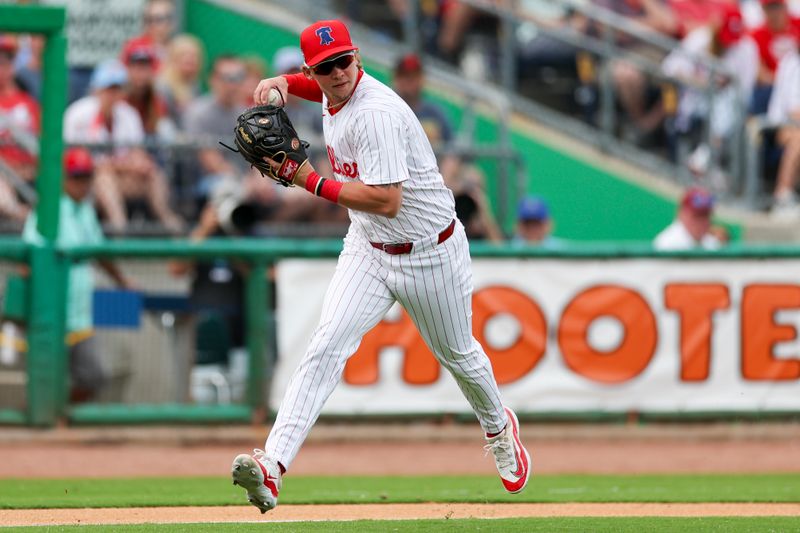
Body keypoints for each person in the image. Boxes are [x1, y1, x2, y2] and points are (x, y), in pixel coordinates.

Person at [230, 19, 532, 514]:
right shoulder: (331, 89)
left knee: (459, 356)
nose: (338, 73)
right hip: (369, 247)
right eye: (325, 67)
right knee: (326, 345)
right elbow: (323, 91)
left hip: (429, 251)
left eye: (344, 60)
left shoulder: (378, 114)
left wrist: (308, 180)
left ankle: (500, 427)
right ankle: (273, 466)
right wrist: (286, 83)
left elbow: (387, 200)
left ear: (359, 59)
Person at [22, 148, 133, 402]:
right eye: (76, 177)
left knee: (93, 375)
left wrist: (123, 282)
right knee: (45, 378)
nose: (82, 183)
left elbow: (100, 253)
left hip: (80, 314)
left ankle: (63, 415)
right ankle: (49, 424)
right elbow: (29, 261)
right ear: (63, 178)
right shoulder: (47, 210)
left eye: (86, 177)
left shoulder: (85, 210)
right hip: (49, 314)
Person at [392, 52, 503, 242]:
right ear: (396, 79)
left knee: (474, 178)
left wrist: (443, 180)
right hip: (399, 177)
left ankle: (493, 244)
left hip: (438, 178)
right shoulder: (389, 109)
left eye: (415, 76)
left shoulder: (434, 112)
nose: (411, 82)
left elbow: (454, 150)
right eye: (405, 77)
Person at [64, 59, 183, 233]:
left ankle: (170, 225)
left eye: (117, 88)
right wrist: (119, 164)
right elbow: (73, 159)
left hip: (123, 177)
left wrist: (140, 164)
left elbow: (137, 153)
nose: (113, 94)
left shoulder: (128, 114)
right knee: (104, 176)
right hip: (84, 181)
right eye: (109, 88)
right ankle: (121, 229)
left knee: (153, 173)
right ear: (96, 89)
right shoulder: (78, 113)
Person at [0, 34, 38, 224]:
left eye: (6, 59)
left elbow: (41, 144)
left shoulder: (27, 101)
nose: (1, 65)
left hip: (29, 172)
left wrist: (29, 169)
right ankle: (25, 217)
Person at [748, 0, 800, 113]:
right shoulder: (756, 34)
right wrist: (783, 81)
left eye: (777, 7)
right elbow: (759, 72)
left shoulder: (797, 24)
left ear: (785, 7)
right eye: (770, 8)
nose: (774, 13)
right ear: (763, 10)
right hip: (773, 86)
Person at [767, 47, 800, 216]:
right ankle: (782, 195)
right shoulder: (793, 62)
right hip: (778, 125)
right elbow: (794, 111)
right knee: (799, 138)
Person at [653, 187, 722, 250]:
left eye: (705, 216)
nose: (702, 222)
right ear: (682, 214)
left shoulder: (712, 244)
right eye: (697, 216)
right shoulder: (667, 244)